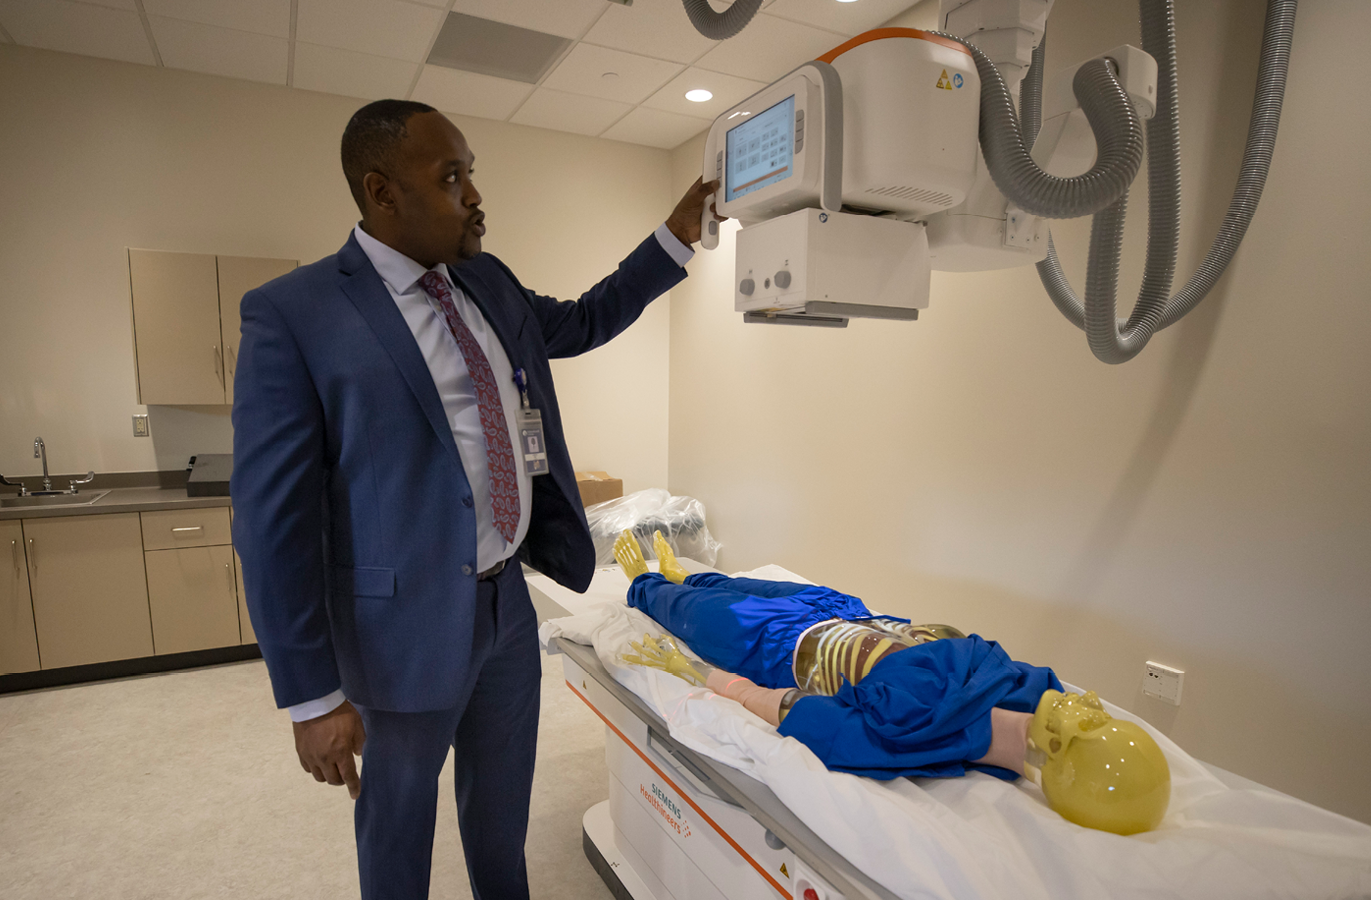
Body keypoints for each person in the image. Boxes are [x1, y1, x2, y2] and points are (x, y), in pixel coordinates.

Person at [230, 99, 720, 900]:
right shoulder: (297, 314)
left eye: (471, 174)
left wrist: (675, 234)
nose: (474, 196)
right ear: (382, 192)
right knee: (398, 830)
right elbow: (270, 520)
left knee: (500, 820)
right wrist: (313, 697)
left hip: (505, 614)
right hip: (397, 634)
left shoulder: (484, 280)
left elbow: (586, 318)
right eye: (451, 176)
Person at [614, 530, 1172, 836]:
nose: (1082, 709)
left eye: (1084, 727)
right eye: (1095, 714)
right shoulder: (1029, 689)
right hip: (850, 614)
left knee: (697, 612)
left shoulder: (919, 731)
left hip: (784, 649)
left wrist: (704, 676)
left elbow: (801, 715)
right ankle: (694, 572)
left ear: (1056, 759)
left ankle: (648, 583)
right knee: (743, 586)